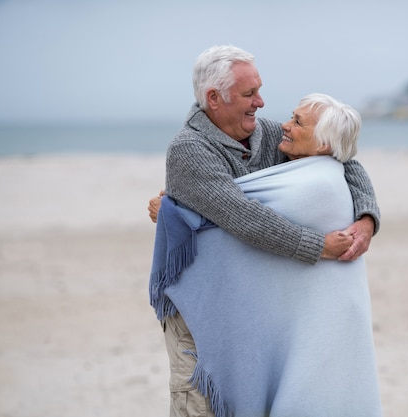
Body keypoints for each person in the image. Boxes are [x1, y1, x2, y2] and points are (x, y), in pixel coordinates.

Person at [148, 45, 381, 417]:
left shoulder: (267, 134)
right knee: (203, 404)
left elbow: (344, 158)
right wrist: (316, 245)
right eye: (249, 94)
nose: (261, 101)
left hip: (249, 307)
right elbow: (243, 217)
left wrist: (367, 219)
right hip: (202, 305)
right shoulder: (189, 150)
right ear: (214, 98)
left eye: (258, 89)